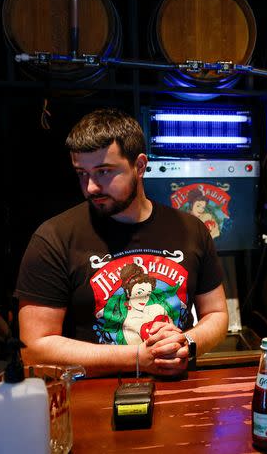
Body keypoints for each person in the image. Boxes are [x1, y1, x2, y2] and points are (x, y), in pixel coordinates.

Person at [14, 107, 228, 377]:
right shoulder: (54, 238)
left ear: (139, 166)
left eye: (104, 172)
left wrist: (188, 343)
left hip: (180, 391)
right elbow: (34, 348)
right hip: (93, 403)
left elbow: (217, 315)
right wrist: (138, 357)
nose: (91, 187)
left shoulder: (190, 229)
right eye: (82, 173)